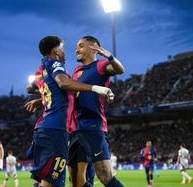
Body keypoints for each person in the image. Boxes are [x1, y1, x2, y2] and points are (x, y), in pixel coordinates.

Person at [29, 35, 114, 187]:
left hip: (44, 129)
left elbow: (33, 88)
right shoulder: (55, 64)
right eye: (62, 48)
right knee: (53, 182)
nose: (66, 52)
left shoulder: (42, 68)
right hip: (56, 130)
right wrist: (97, 88)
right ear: (56, 50)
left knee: (54, 181)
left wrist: (40, 99)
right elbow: (63, 83)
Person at [67, 35, 124, 187]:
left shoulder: (100, 65)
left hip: (92, 127)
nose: (76, 49)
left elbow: (119, 69)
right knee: (77, 182)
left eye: (80, 45)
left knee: (105, 177)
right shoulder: (77, 70)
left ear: (93, 48)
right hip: (75, 129)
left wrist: (110, 56)